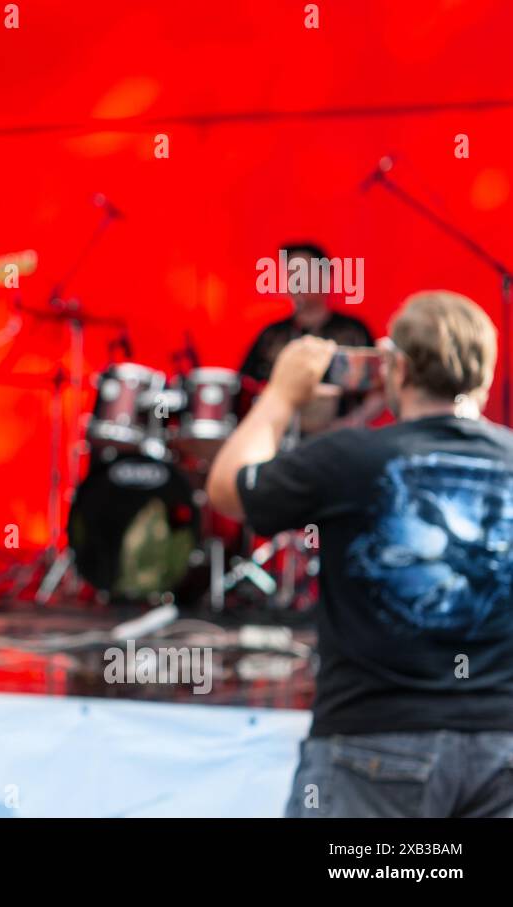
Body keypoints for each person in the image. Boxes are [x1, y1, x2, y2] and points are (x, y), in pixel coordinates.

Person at [207, 290, 513, 818]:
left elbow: (229, 489)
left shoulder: (348, 457)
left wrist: (280, 397)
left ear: (395, 368)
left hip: (372, 743)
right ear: (484, 373)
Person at [240, 242, 381, 430]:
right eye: (291, 273)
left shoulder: (353, 331)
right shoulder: (272, 335)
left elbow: (381, 388)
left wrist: (351, 423)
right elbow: (246, 387)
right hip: (280, 437)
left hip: (340, 440)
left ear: (325, 276)